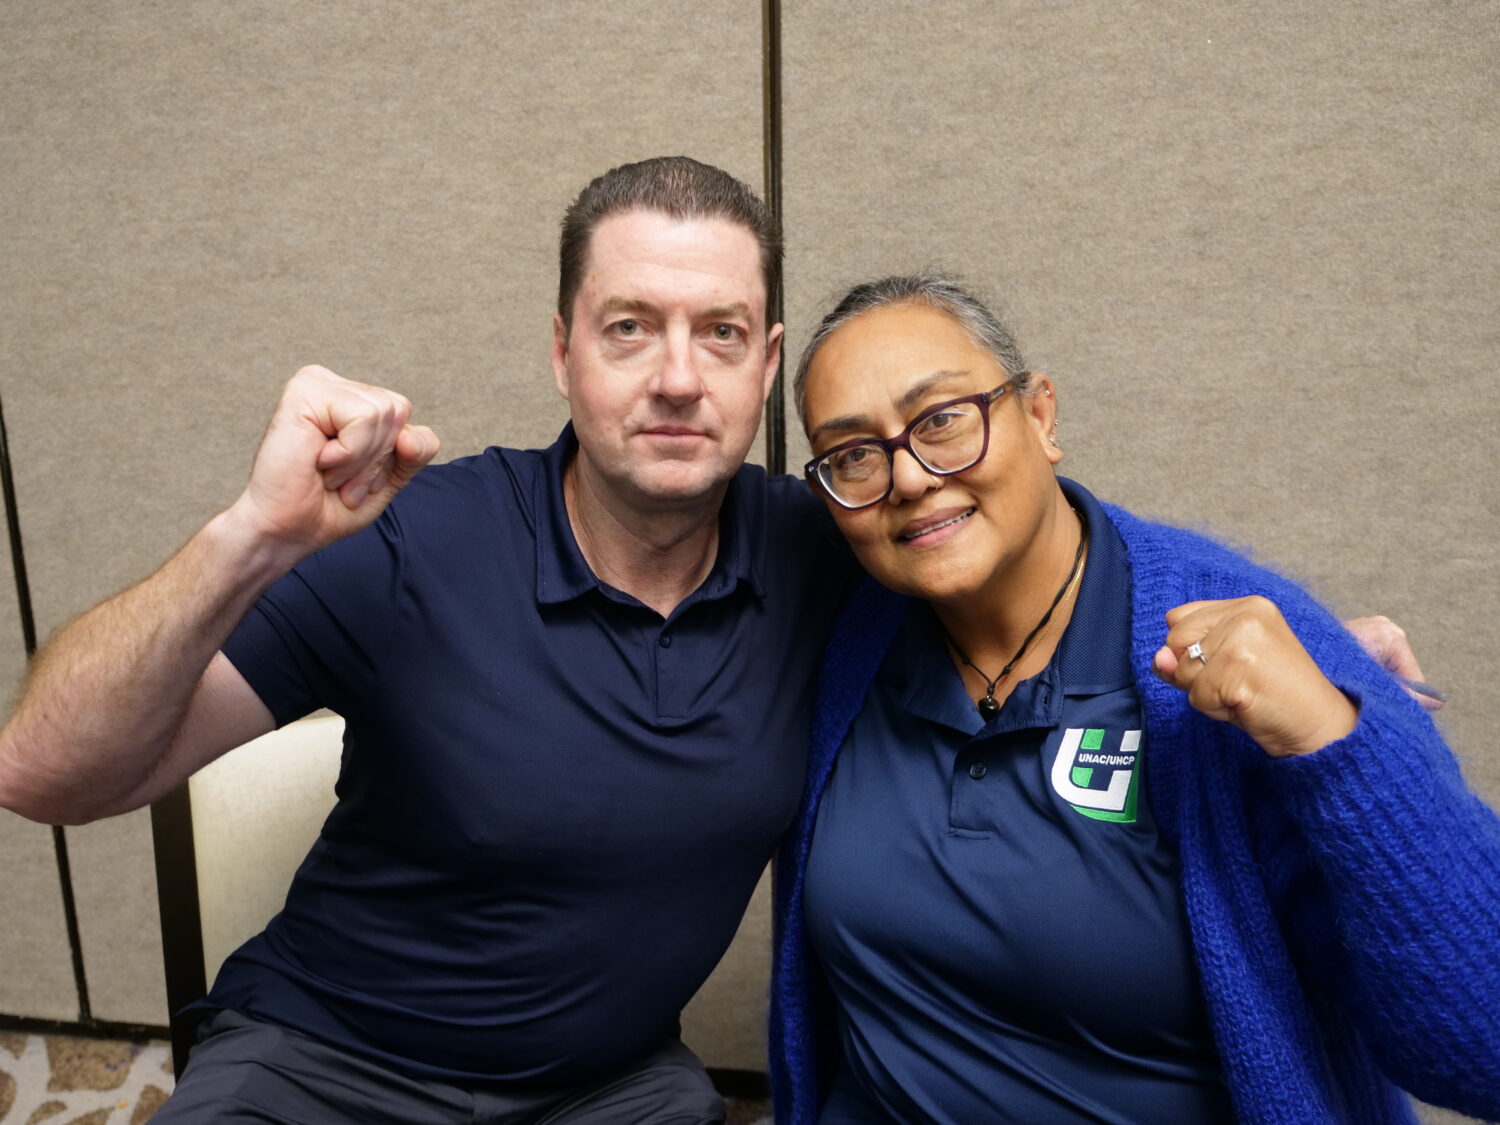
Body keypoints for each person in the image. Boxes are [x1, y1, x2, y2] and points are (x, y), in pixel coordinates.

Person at [0, 159, 1437, 1123]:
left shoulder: (835, 543)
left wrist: (1318, 669)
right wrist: (248, 535)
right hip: (326, 1061)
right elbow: (46, 771)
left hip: (613, 1087)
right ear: (562, 350)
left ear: (765, 365)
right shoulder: (410, 539)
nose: (676, 377)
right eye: (630, 327)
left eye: (720, 332)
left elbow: (1032, 529)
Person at [769, 275, 1500, 1125]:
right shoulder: (838, 635)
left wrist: (1338, 742)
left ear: (1041, 417)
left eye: (942, 419)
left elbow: (1482, 1047)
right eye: (854, 453)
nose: (908, 476)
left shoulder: (1232, 656)